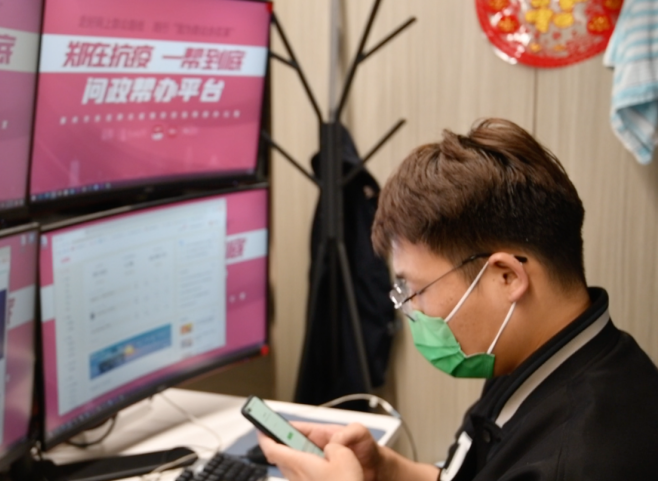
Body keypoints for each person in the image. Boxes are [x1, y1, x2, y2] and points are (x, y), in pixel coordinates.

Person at [258, 119, 658, 480]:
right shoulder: (532, 354)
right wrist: (389, 471)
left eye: (418, 290)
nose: (412, 310)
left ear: (506, 277)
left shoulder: (580, 460)